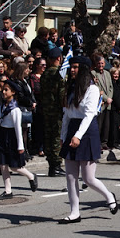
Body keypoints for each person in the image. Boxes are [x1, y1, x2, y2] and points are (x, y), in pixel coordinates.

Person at [58, 56, 118, 223]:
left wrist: (78, 135)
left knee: (88, 178)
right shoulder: (71, 89)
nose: (72, 70)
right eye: (71, 66)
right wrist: (64, 136)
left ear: (83, 69)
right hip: (72, 130)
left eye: (76, 67)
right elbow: (67, 116)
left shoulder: (91, 89)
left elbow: (89, 114)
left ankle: (109, 196)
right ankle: (74, 212)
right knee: (70, 175)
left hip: (86, 131)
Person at [0, 80, 38, 199]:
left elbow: (18, 129)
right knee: (3, 165)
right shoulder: (2, 107)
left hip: (12, 137)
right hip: (4, 134)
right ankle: (8, 190)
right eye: (3, 89)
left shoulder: (15, 109)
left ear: (13, 92)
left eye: (6, 90)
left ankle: (31, 176)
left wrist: (20, 146)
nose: (3, 92)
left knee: (15, 166)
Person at [40, 47, 66, 176]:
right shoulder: (59, 74)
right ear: (58, 58)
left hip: (46, 108)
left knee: (49, 136)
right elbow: (61, 94)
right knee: (56, 137)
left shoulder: (45, 74)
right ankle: (56, 165)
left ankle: (51, 165)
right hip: (56, 110)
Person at [91, 54, 114, 151]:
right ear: (96, 64)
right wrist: (105, 98)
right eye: (99, 63)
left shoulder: (107, 73)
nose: (100, 65)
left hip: (108, 103)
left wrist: (110, 98)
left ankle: (104, 142)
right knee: (99, 124)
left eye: (102, 63)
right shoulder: (93, 73)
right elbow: (97, 88)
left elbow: (110, 87)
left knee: (106, 125)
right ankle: (98, 143)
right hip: (100, 103)